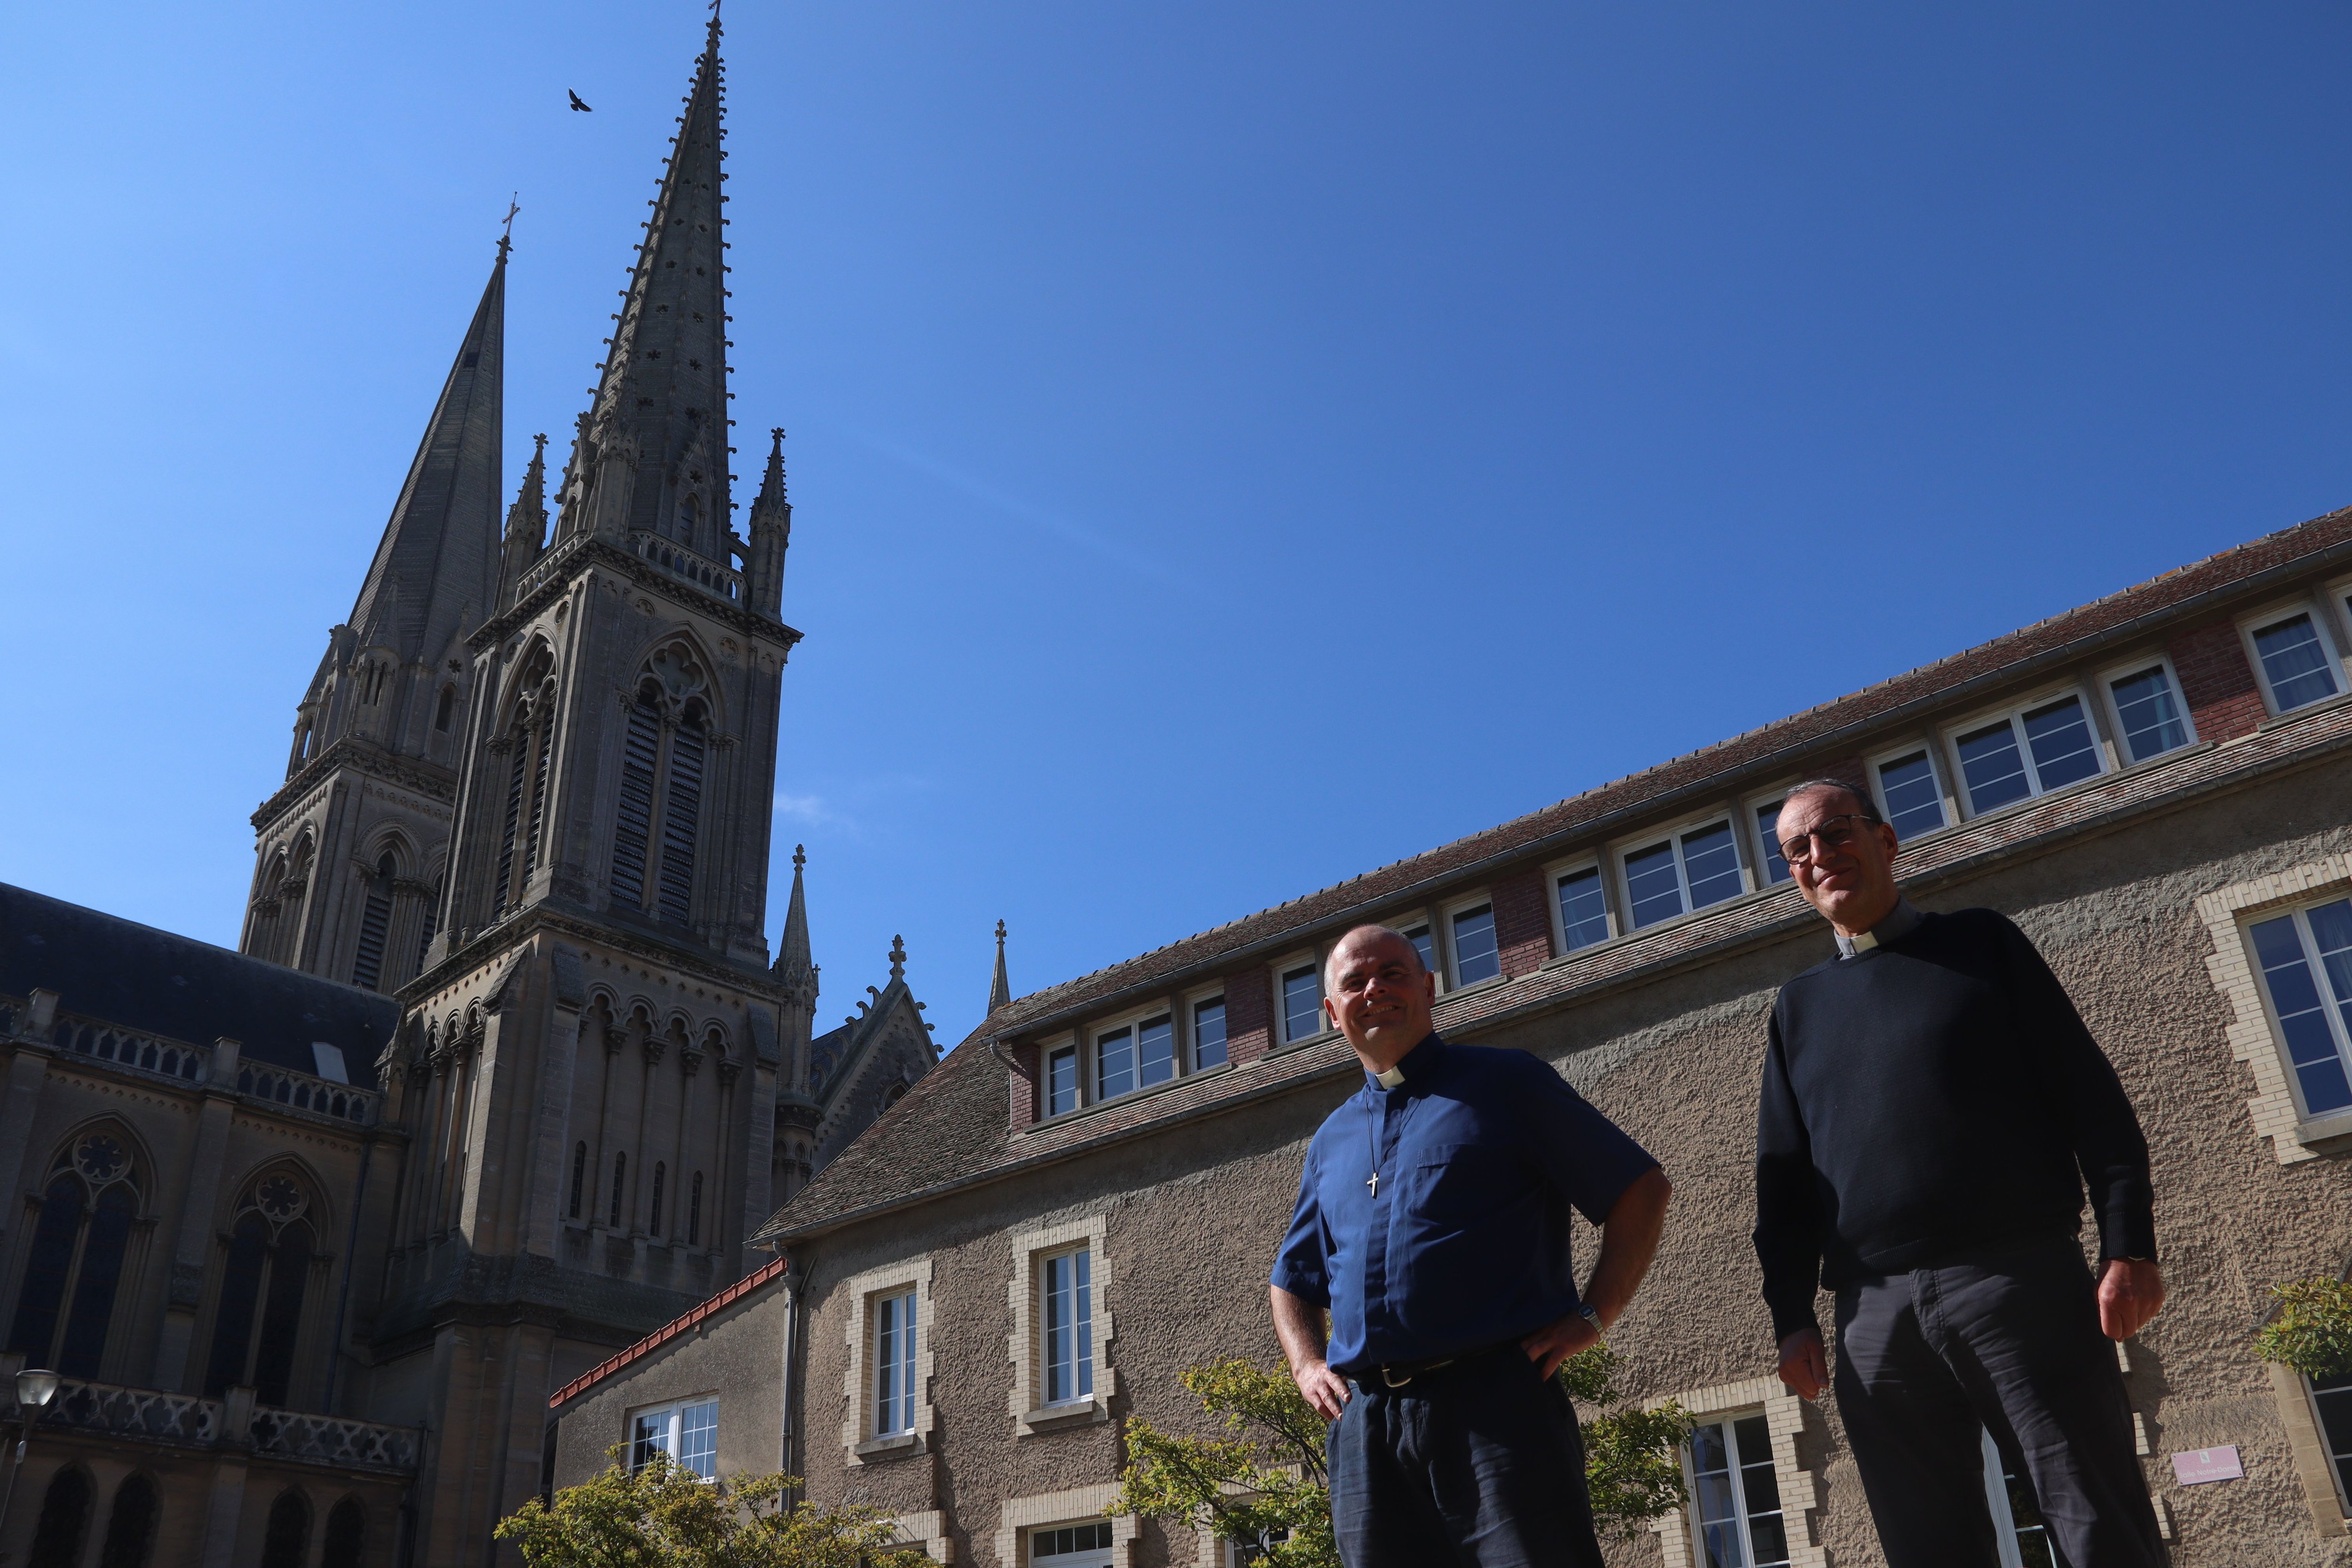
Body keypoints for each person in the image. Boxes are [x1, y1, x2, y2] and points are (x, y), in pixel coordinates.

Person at [1754, 780, 2169, 1568]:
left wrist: (2129, 1242)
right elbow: (1784, 1186)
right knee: (1927, 1548)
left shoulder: (1983, 944)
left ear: (1886, 841)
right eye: (1798, 849)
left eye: (1837, 832)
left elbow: (2093, 1099)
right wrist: (1791, 1315)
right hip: (1873, 1318)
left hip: (2016, 1279)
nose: (1819, 854)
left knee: (2095, 1520)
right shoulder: (1796, 1008)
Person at [1270, 923, 1673, 1568]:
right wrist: (1306, 1366)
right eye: (1355, 982)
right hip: (1368, 1430)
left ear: (1428, 988)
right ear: (1332, 1013)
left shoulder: (1507, 1084)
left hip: (1498, 1410)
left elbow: (1641, 1189)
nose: (1374, 989)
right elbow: (1292, 1278)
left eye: (1393, 973)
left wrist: (1593, 1316)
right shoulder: (1331, 1139)